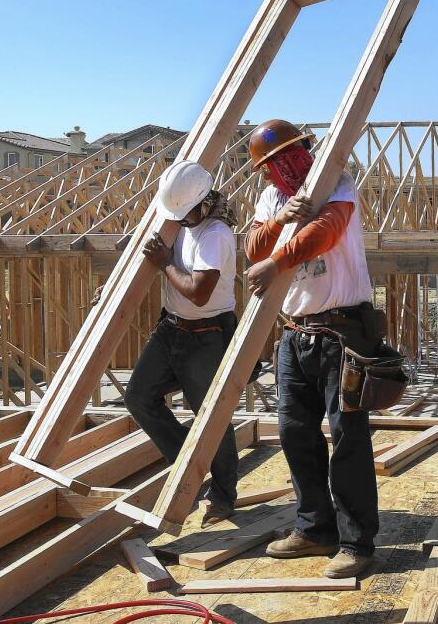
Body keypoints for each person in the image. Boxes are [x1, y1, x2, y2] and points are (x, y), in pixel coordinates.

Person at [243, 119, 380, 580]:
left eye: (287, 157)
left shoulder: (337, 183)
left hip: (342, 331)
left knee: (348, 437)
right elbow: (252, 246)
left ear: (306, 148)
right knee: (295, 433)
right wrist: (282, 219)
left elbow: (326, 232)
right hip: (296, 332)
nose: (281, 170)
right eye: (270, 166)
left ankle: (357, 542)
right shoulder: (272, 198)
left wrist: (276, 260)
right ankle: (314, 529)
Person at [123, 159, 241, 527]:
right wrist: (114, 294)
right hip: (172, 329)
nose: (182, 219)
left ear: (204, 204)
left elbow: (199, 293)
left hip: (207, 335)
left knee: (212, 417)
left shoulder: (215, 234)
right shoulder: (177, 222)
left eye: (188, 213)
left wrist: (164, 264)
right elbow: (144, 260)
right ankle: (187, 468)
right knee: (138, 397)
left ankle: (223, 496)